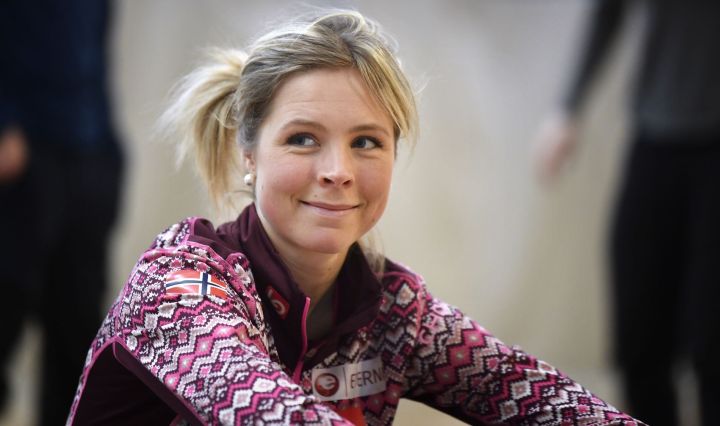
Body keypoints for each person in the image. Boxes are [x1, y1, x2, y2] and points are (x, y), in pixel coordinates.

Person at [68, 10, 643, 425]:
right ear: (249, 155)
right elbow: (266, 410)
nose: (338, 171)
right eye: (302, 138)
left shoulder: (394, 310)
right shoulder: (177, 283)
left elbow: (532, 392)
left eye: (366, 142)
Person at [533, 1, 720, 425]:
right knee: (638, 333)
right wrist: (567, 109)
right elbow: (609, 12)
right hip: (653, 138)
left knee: (711, 340)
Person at [0, 1, 123, 425]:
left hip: (90, 156)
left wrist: (109, 152)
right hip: (22, 157)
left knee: (76, 335)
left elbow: (93, 57)